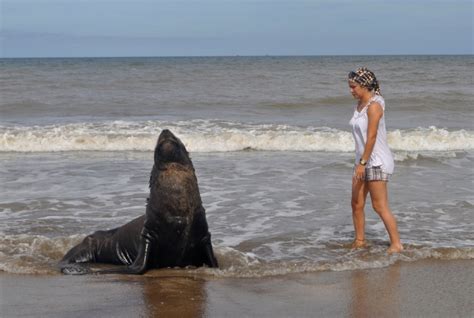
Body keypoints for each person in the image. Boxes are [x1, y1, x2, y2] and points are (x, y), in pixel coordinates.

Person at [348, 67, 403, 253]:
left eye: (353, 86)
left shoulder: (374, 106)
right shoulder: (360, 106)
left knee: (379, 206)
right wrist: (360, 162)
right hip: (362, 160)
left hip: (376, 161)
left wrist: (363, 164)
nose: (351, 90)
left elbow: (371, 137)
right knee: (356, 203)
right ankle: (360, 241)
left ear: (364, 85)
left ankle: (396, 244)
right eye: (350, 86)